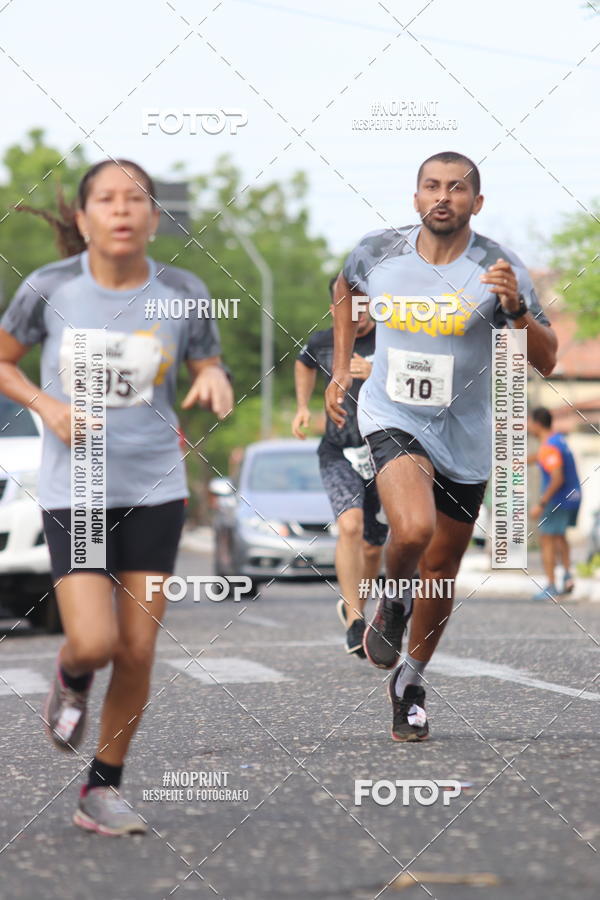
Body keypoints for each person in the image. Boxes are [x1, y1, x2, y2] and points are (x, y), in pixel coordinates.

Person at [0, 159, 233, 834]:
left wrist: (215, 377)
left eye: (136, 200)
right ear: (83, 218)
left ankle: (102, 789)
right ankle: (72, 675)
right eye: (106, 199)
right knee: (95, 642)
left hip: (155, 488)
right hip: (77, 487)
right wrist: (48, 406)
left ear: (154, 219)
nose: (122, 210)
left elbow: (206, 360)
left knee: (136, 650)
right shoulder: (48, 288)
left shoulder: (183, 292)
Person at [325, 151, 557, 742]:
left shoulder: (499, 266)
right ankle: (392, 602)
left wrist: (515, 309)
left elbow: (548, 359)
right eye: (432, 186)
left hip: (466, 433)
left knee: (441, 567)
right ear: (416, 197)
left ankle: (410, 684)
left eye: (456, 188)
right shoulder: (376, 252)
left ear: (476, 202)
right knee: (412, 530)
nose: (443, 197)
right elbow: (344, 289)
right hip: (393, 413)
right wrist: (341, 368)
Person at [292, 277, 387, 656]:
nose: (357, 315)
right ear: (335, 310)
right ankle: (354, 620)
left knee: (372, 548)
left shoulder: (391, 339)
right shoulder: (323, 342)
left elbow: (419, 380)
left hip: (383, 451)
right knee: (350, 525)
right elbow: (303, 364)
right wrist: (303, 406)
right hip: (338, 451)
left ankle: (356, 606)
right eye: (349, 307)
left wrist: (378, 374)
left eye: (364, 306)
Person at [528, 407, 581, 599]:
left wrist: (541, 504)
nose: (528, 427)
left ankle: (551, 585)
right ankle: (567, 577)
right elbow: (544, 457)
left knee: (547, 540)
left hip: (557, 499)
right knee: (560, 536)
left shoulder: (549, 446)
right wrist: (520, 461)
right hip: (573, 497)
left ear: (537, 424)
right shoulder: (558, 440)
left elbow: (557, 478)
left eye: (529, 423)